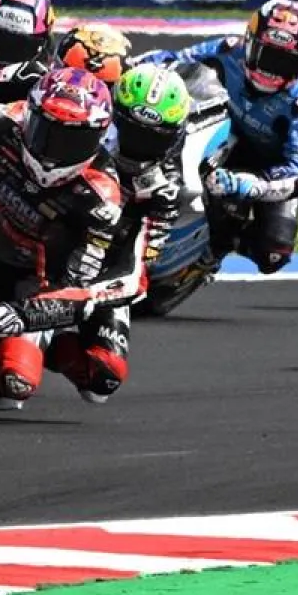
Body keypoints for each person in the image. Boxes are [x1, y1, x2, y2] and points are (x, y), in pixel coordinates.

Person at [0, 68, 128, 411]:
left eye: (73, 141)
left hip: (33, 284)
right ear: (30, 116)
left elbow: (77, 289)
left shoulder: (99, 198)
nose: (55, 150)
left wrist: (18, 315)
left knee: (17, 383)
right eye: (47, 132)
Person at [40, 64, 192, 404]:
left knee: (105, 379)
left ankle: (52, 344)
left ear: (176, 134)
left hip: (106, 265)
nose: (141, 146)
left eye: (156, 137)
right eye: (134, 132)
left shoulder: (166, 187)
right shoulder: (84, 135)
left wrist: (92, 291)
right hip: (49, 242)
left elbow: (146, 256)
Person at [139, 0, 298, 274]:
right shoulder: (229, 49)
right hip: (227, 134)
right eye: (266, 55)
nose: (270, 71)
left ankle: (221, 245)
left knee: (274, 253)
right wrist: (141, 65)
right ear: (250, 43)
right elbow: (175, 61)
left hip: (271, 165)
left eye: (285, 63)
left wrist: (254, 186)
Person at [0, 22, 132, 110]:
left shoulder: (122, 127)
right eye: (72, 77)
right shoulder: (28, 76)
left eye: (99, 86)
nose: (78, 94)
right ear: (55, 66)